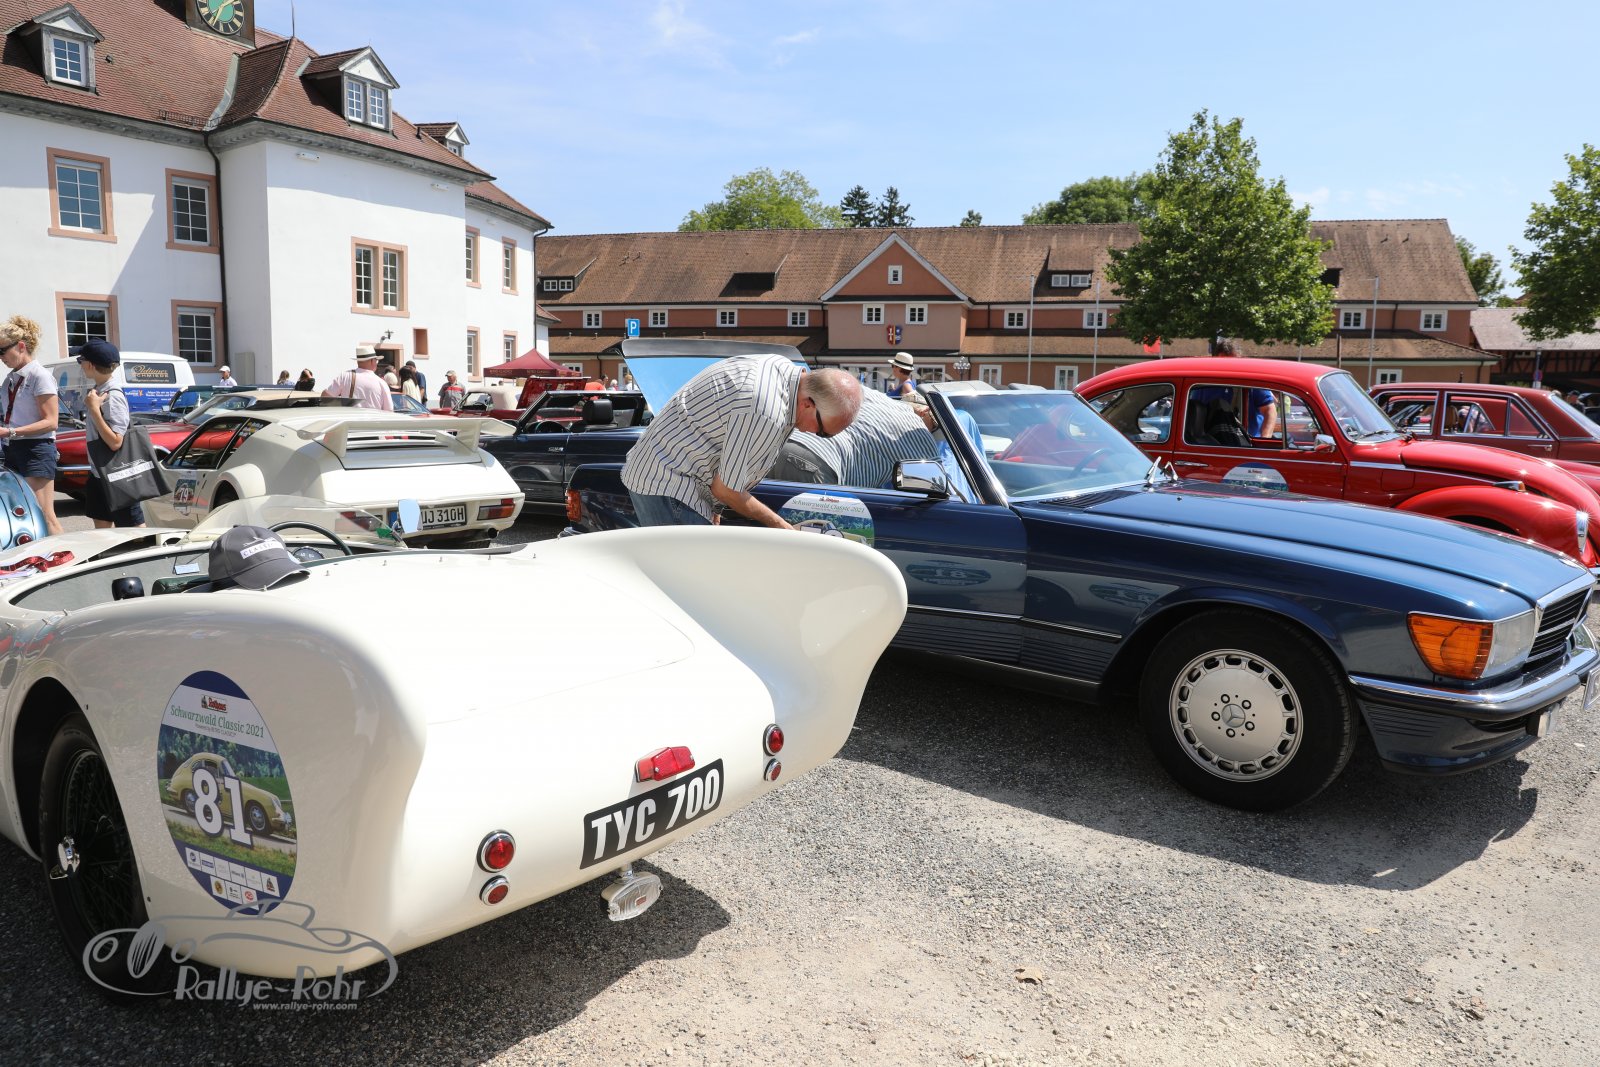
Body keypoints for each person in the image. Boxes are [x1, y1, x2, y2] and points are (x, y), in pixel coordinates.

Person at [623, 355, 861, 528]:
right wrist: (781, 526)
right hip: (668, 483)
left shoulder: (783, 371)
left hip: (667, 474)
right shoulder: (765, 410)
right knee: (690, 578)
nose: (815, 434)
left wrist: (715, 507)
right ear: (808, 404)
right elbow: (726, 489)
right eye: (823, 431)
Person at [0, 314, 64, 535]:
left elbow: (51, 422)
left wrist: (10, 431)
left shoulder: (40, 376)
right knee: (22, 515)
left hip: (36, 448)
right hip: (13, 448)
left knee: (44, 515)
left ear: (21, 346)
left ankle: (64, 556)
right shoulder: (10, 379)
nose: (0, 357)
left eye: (2, 351)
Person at [75, 339, 145, 528]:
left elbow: (115, 442)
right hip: (100, 473)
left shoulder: (112, 395)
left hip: (117, 475)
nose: (80, 365)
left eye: (80, 360)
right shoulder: (99, 391)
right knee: (102, 533)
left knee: (135, 534)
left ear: (90, 364)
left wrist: (94, 410)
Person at [322, 345, 393, 410]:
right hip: (374, 419)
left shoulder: (345, 376)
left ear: (358, 361)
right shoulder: (381, 383)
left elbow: (325, 397)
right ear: (372, 361)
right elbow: (389, 410)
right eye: (376, 360)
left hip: (349, 419)